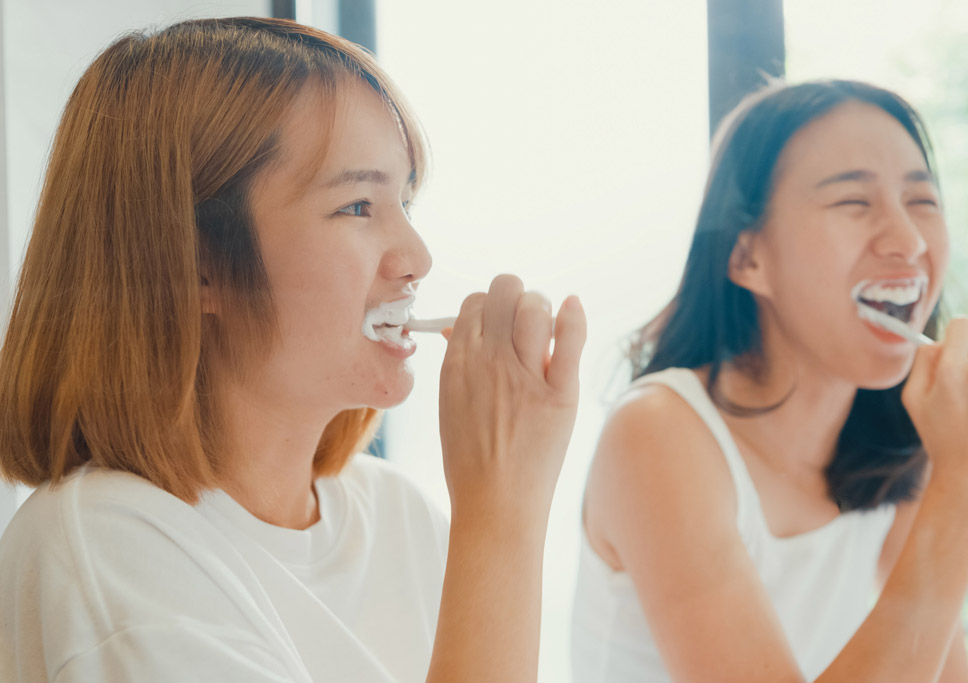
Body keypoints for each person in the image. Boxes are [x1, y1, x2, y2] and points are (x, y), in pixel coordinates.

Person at [0, 17, 585, 683]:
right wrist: (502, 512)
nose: (417, 258)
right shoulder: (105, 550)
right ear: (196, 266)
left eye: (405, 201)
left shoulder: (395, 514)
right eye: (358, 207)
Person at [571, 80, 968, 682]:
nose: (908, 240)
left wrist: (956, 478)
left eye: (922, 202)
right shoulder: (658, 432)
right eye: (854, 202)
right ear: (749, 258)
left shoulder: (905, 449)